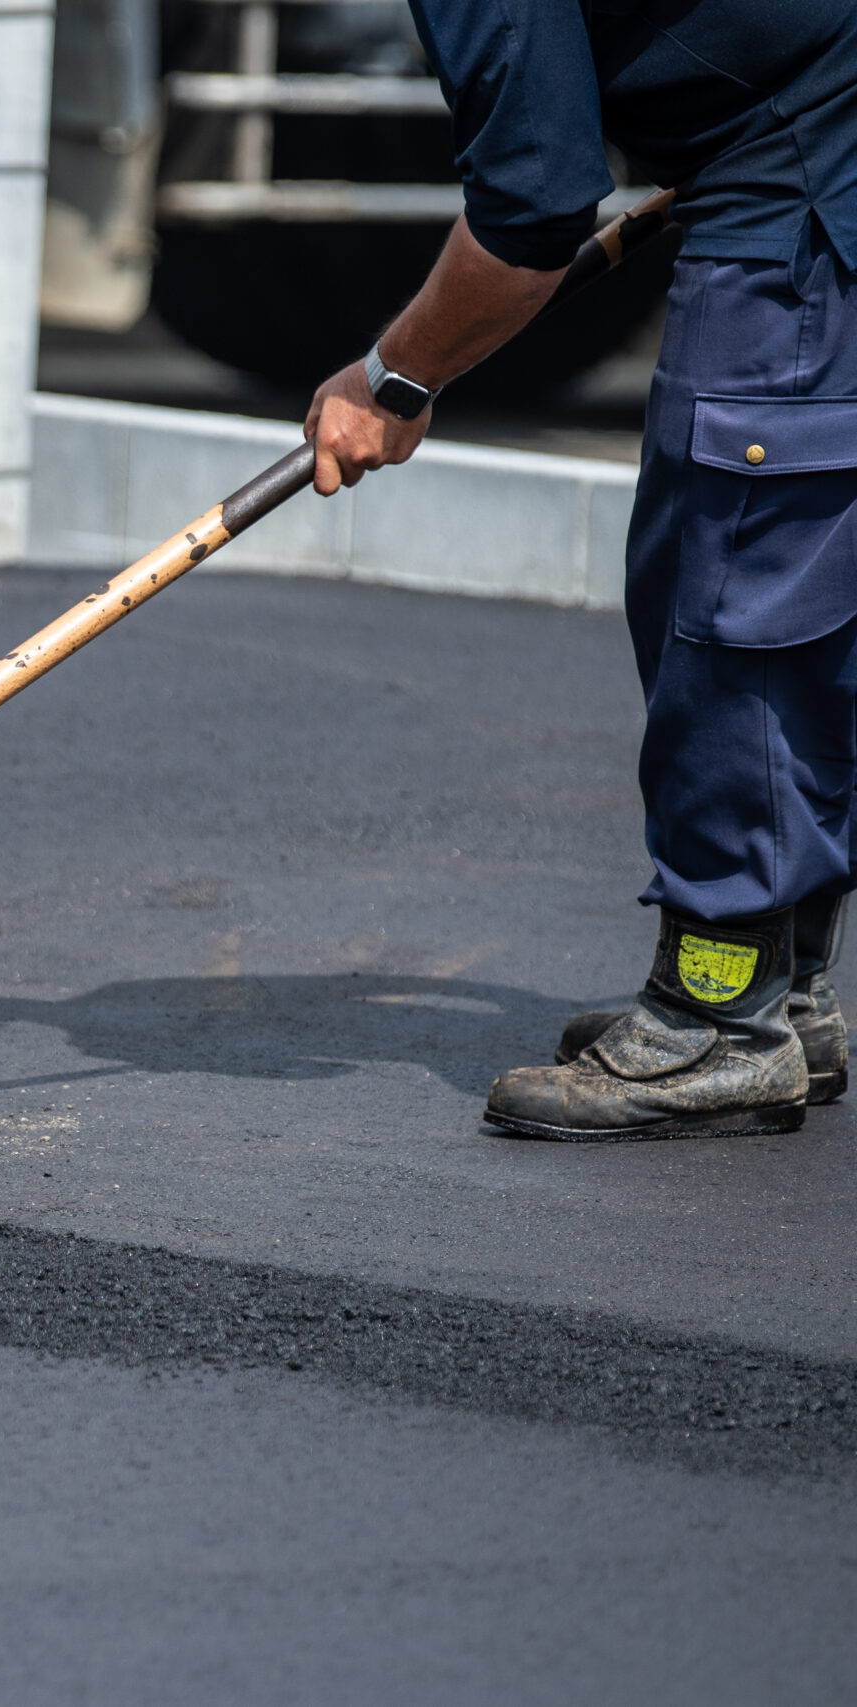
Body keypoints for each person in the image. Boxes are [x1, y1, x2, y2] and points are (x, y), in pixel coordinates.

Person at [306, 1, 857, 1139]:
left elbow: (531, 207)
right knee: (803, 612)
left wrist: (392, 379)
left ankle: (714, 1019)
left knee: (731, 613)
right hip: (808, 156)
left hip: (804, 208)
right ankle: (781, 988)